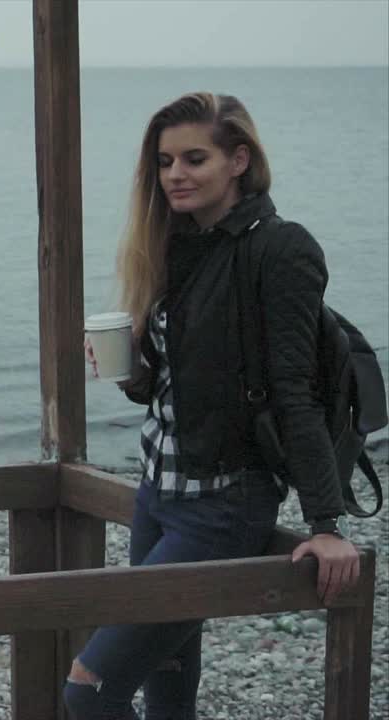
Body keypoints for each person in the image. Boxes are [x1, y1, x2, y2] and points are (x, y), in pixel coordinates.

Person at [71, 92, 361, 720]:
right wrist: (130, 370)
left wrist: (326, 526)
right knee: (167, 687)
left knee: (90, 690)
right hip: (157, 493)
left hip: (222, 503)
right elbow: (171, 388)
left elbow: (294, 393)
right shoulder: (179, 247)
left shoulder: (280, 248)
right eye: (165, 161)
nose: (175, 174)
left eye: (193, 158)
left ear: (238, 159)